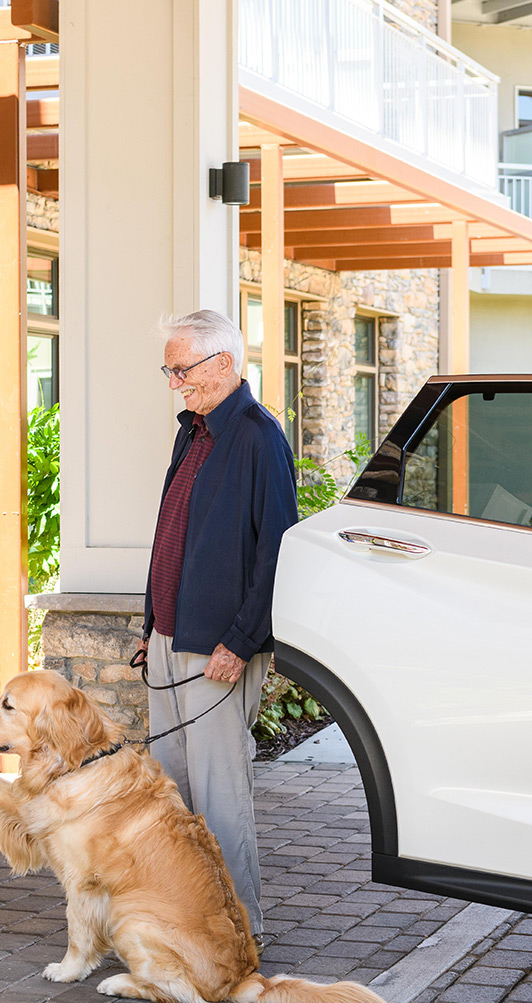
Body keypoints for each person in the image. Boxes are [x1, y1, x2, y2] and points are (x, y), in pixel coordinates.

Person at [136, 309, 299, 940]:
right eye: (169, 369)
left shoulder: (259, 438)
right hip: (169, 641)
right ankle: (180, 920)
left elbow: (277, 550)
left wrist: (241, 639)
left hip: (218, 651)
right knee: (169, 797)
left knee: (220, 799)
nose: (175, 382)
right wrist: (152, 627)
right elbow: (177, 534)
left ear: (224, 363)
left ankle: (237, 930)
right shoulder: (193, 432)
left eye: (183, 369)